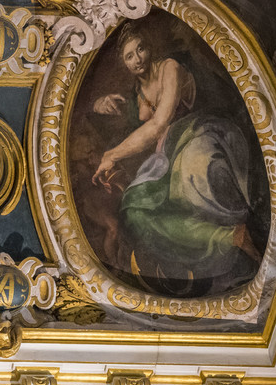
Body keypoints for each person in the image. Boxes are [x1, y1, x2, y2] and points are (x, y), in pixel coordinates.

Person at [89, 26, 265, 293]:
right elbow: (135, 135)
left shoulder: (169, 68)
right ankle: (231, 237)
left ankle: (242, 232)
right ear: (124, 65)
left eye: (140, 49)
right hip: (164, 159)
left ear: (150, 48)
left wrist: (111, 155)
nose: (138, 58)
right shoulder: (136, 96)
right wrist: (98, 105)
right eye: (129, 56)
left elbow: (159, 125)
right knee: (133, 212)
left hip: (199, 133)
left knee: (195, 174)